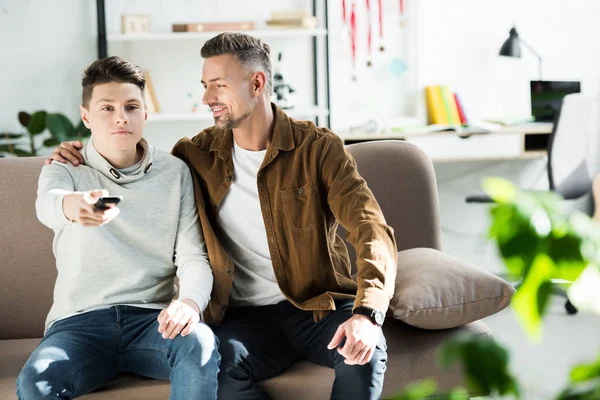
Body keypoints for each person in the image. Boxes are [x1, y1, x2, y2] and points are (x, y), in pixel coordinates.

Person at [48, 33, 397, 400]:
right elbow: (134, 166)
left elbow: (371, 228)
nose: (206, 98)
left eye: (218, 85)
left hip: (318, 307)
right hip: (244, 320)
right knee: (216, 366)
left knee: (364, 353)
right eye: (204, 85)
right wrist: (78, 155)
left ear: (257, 83)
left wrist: (367, 314)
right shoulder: (194, 155)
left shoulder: (319, 149)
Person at [18, 56, 220, 399]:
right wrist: (74, 206)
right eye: (107, 108)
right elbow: (48, 204)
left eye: (131, 106)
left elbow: (192, 256)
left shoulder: (175, 172)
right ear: (86, 116)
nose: (121, 117)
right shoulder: (66, 168)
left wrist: (189, 302)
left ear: (145, 113)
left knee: (199, 342)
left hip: (152, 321)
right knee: (35, 383)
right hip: (78, 324)